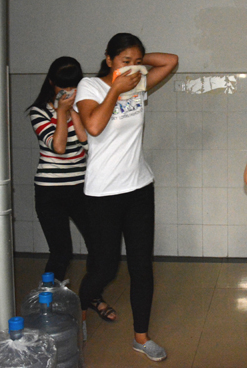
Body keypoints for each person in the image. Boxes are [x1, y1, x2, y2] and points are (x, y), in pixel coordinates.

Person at [75, 33, 178, 362]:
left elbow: (171, 61)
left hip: (139, 187)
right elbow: (93, 126)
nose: (131, 67)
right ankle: (82, 305)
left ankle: (141, 337)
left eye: (136, 61)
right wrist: (115, 89)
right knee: (105, 268)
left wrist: (136, 65)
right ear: (108, 59)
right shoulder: (90, 87)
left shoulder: (137, 82)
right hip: (103, 192)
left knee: (141, 267)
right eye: (124, 61)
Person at [27, 56, 91, 282]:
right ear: (51, 83)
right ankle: (50, 299)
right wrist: (61, 113)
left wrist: (73, 111)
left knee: (99, 244)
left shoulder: (83, 108)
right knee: (61, 252)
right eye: (63, 86)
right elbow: (59, 147)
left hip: (82, 187)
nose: (68, 92)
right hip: (50, 191)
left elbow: (88, 144)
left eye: (74, 86)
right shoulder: (39, 112)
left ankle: (91, 295)